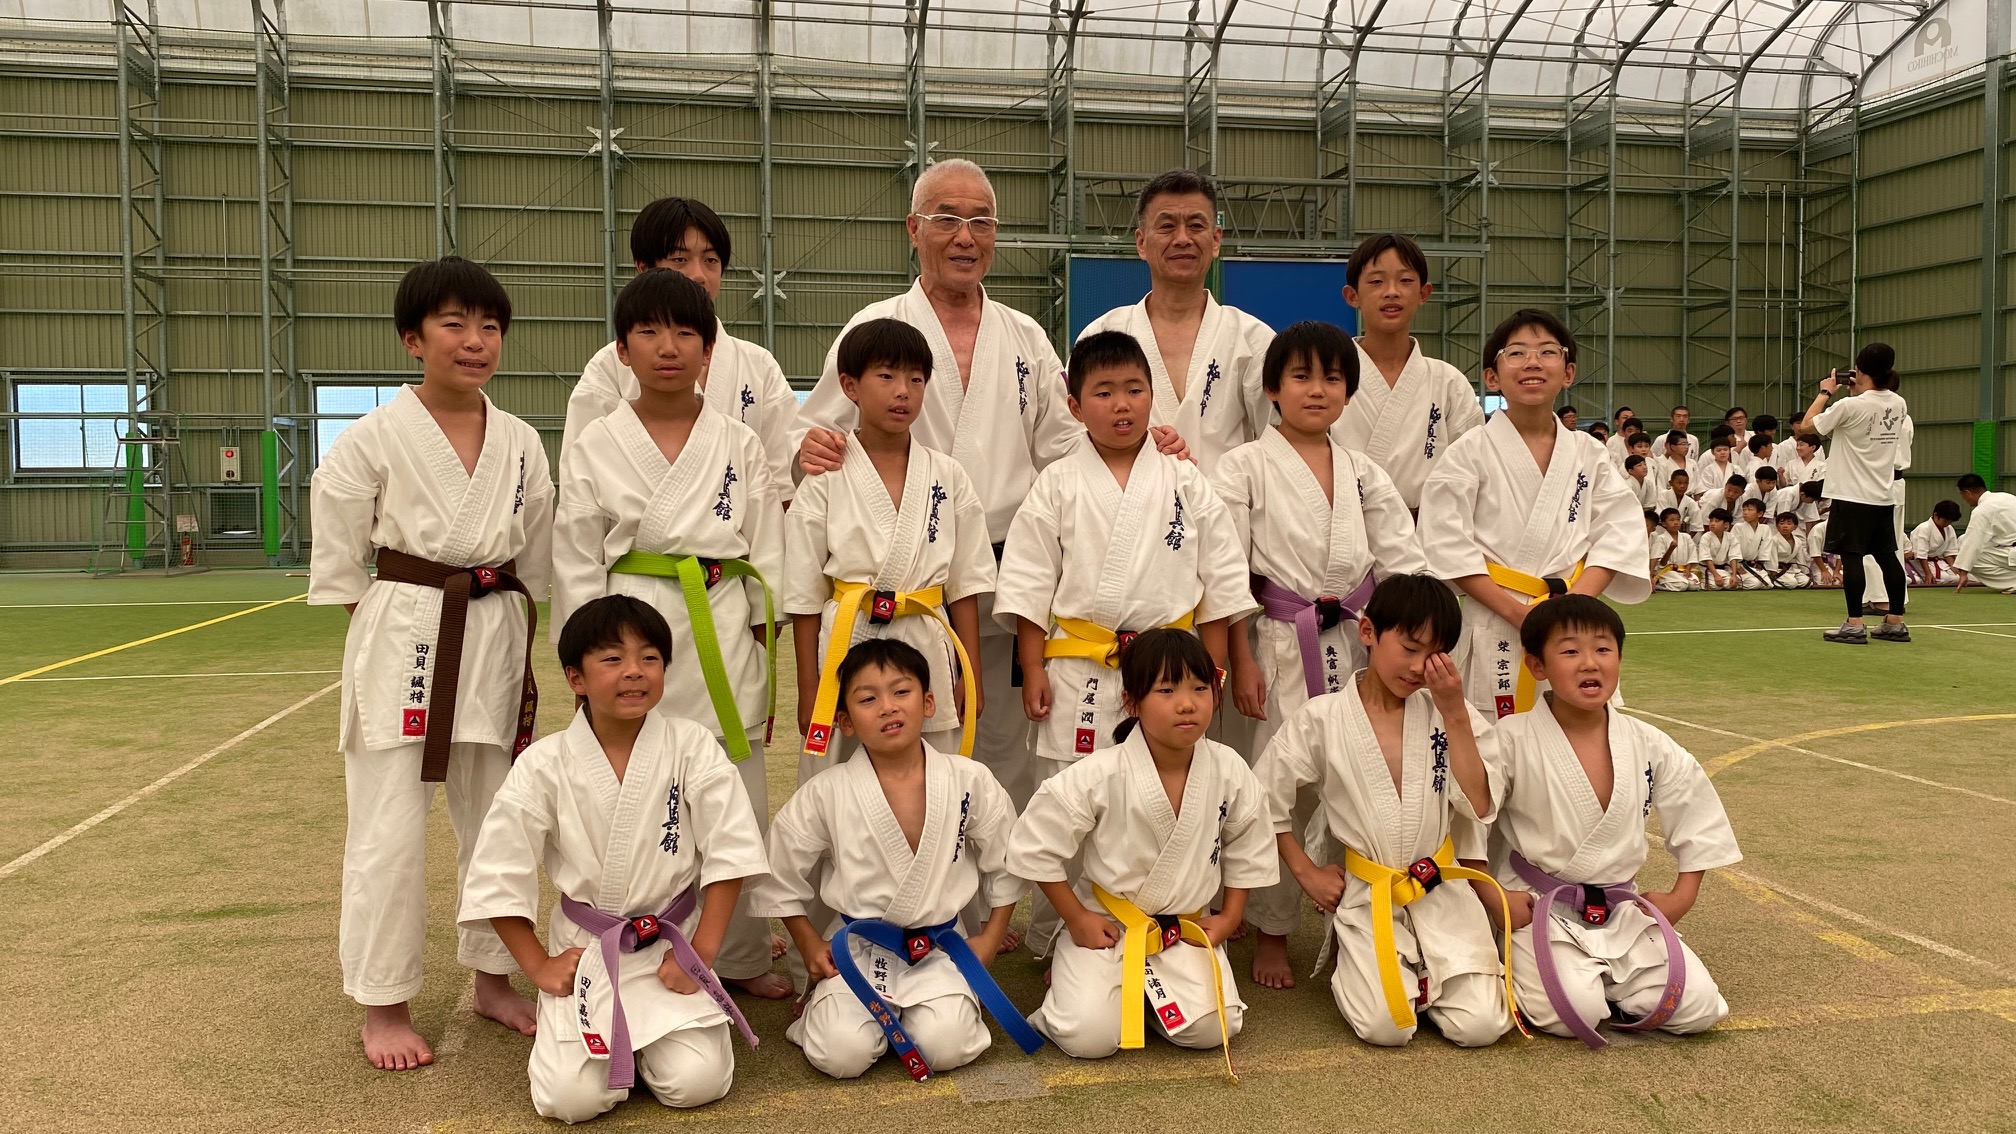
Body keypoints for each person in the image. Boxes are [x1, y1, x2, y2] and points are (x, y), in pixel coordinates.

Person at [796, 158, 1186, 814]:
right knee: (886, 740)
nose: (965, 236)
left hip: (1006, 572)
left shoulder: (1024, 335)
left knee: (1001, 741)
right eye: (947, 218)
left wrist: (1146, 443)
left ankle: (993, 875)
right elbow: (819, 430)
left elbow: (1070, 445)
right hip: (902, 578)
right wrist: (805, 447)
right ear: (913, 228)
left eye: (981, 222)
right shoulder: (876, 326)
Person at [308, 256, 551, 1071]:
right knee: (387, 829)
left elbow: (535, 558)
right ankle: (384, 1001)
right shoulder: (369, 440)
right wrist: (408, 627)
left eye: (490, 327)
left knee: (501, 818)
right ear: (413, 339)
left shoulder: (521, 443)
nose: (475, 341)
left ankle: (493, 975)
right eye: (454, 324)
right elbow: (342, 568)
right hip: (406, 636)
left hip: (495, 636)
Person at [550, 270, 789, 1000]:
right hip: (630, 625)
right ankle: (635, 942)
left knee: (736, 794)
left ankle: (741, 951)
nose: (668, 347)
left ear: (709, 351)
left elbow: (766, 548)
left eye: (687, 333)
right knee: (641, 790)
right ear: (621, 350)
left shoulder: (738, 441)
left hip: (720, 622)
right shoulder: (596, 442)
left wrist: (762, 642)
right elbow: (576, 557)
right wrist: (588, 658)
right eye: (649, 332)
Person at [993, 331, 1255, 953]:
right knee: (1070, 792)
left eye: (1134, 390)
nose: (1121, 405)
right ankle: (1062, 933)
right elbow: (1029, 581)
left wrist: (1212, 672)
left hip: (1169, 671)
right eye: (1104, 392)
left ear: (1152, 395)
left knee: (1167, 788)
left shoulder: (1185, 481)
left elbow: (1220, 583)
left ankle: (1170, 912)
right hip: (1080, 667)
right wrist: (1032, 667)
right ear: (1075, 405)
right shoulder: (1056, 482)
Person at [461, 596, 768, 1122]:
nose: (634, 671)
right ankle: (620, 1049)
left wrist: (701, 952)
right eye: (612, 659)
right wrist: (538, 966)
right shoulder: (544, 763)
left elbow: (731, 849)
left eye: (649, 658)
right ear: (575, 678)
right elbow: (497, 871)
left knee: (698, 1082)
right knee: (569, 1101)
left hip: (670, 943)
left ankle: (648, 1048)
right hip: (588, 950)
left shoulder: (691, 744)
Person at [1212, 320, 1426, 986]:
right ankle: (1271, 928)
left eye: (1332, 378)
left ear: (1348, 392)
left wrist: (1403, 645)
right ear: (1273, 388)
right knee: (1276, 786)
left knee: (1359, 778)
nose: (1317, 389)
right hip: (1279, 644)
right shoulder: (1243, 466)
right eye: (1300, 376)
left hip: (1358, 644)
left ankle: (1358, 911)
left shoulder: (1365, 473)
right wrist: (1241, 659)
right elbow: (1225, 571)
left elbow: (1403, 564)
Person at [749, 639, 1034, 1081]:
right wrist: (808, 942)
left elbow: (1005, 861)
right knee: (842, 1054)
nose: (887, 707)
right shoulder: (827, 792)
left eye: (901, 692)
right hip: (858, 949)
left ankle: (926, 1012)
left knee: (947, 1045)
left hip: (939, 947)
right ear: (845, 720)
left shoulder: (968, 779)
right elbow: (778, 873)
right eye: (867, 699)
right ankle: (832, 1016)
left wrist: (991, 937)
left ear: (928, 702)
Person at [1252, 575, 1519, 1046]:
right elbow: (1262, 799)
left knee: (1482, 1026)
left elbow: (1480, 803)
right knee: (1386, 1027)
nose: (1418, 668)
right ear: (1368, 631)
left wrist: (1455, 713)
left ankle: (1420, 976)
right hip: (1368, 891)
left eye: (1435, 655)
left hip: (1440, 887)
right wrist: (1307, 873)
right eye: (1410, 648)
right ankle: (1366, 961)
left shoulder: (1450, 714)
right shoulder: (1322, 718)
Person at [1006, 630, 1276, 1073]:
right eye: (1166, 691)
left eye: (1200, 688)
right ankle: (1077, 985)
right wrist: (1076, 917)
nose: (1186, 704)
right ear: (1131, 702)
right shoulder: (1101, 772)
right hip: (1108, 926)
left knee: (1214, 1028)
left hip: (1182, 929)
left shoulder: (1229, 768)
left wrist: (1230, 916)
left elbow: (1250, 844)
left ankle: (1139, 999)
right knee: (1088, 1036)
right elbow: (1035, 844)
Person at [1488, 597, 1741, 1047]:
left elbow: (1696, 812)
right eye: (1570, 651)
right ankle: (1570, 975)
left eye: (1603, 649)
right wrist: (1494, 897)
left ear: (1619, 658)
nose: (1590, 663)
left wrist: (1682, 895)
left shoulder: (1647, 741)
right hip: (1539, 905)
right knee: (1571, 1014)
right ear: (1537, 665)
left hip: (1621, 908)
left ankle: (1605, 977)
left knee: (1699, 1007)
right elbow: (1470, 818)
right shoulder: (1510, 738)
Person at [785, 318, 993, 779]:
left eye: (915, 379)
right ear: (850, 386)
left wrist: (971, 673)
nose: (903, 391)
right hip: (847, 640)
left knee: (936, 770)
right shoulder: (826, 477)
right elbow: (803, 592)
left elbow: (965, 585)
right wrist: (808, 686)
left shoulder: (948, 475)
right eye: (886, 376)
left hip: (925, 635)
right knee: (838, 769)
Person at [1418, 308, 1650, 721]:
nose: (1532, 363)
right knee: (1493, 740)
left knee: (1580, 733)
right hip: (1497, 618)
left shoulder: (1589, 453)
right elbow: (1445, 544)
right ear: (1492, 377)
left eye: (1547, 352)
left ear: (1568, 372)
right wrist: (1520, 615)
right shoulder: (1466, 453)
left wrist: (1575, 605)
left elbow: (1620, 531)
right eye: (1517, 353)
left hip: (1571, 621)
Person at [561, 197, 798, 503]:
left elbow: (783, 485)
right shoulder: (609, 368)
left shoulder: (757, 365)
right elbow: (579, 483)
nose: (699, 275)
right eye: (679, 259)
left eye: (710, 260)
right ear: (644, 268)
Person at [1075, 169, 1274, 474]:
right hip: (1127, 501)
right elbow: (1073, 437)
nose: (1182, 239)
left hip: (1226, 503)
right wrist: (1134, 444)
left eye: (1196, 225)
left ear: (1216, 240)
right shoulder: (1102, 334)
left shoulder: (1253, 339)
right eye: (1167, 226)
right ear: (1141, 242)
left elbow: (1278, 446)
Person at [1332, 233, 1485, 513]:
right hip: (1346, 525)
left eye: (1405, 280)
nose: (1392, 291)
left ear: (1423, 293)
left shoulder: (1448, 383)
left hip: (1428, 529)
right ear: (1352, 296)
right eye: (1376, 282)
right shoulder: (1331, 378)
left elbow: (1473, 470)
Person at [1805, 344, 1910, 643]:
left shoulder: (1849, 406)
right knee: (1888, 557)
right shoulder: (1899, 403)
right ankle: (1895, 621)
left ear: (1860, 370)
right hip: (1882, 494)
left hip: (1851, 494)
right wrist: (1859, 390)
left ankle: (1854, 623)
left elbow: (1807, 426)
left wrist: (1825, 392)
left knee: (1852, 557)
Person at [1954, 473, 2016, 592]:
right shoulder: (2007, 497)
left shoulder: (1982, 510)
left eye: (1962, 495)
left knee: (1969, 554)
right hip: (2009, 549)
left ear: (1967, 493)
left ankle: (2013, 583)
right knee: (1964, 540)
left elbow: (1972, 542)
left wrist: (1963, 572)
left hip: (2012, 552)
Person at [1906, 501, 1961, 585]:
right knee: (1945, 579)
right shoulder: (1924, 528)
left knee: (1957, 578)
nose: (1947, 524)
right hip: (1922, 562)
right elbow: (1921, 555)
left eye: (1950, 522)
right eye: (1945, 521)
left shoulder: (1949, 529)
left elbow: (1949, 552)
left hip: (1939, 562)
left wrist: (1953, 566)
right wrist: (1928, 574)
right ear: (1936, 515)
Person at [1727, 499, 1777, 590]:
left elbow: (1765, 549)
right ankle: (1732, 581)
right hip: (1738, 564)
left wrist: (1760, 563)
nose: (1745, 513)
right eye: (1744, 510)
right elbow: (1732, 549)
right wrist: (1737, 567)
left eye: (1750, 510)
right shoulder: (1738, 527)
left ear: (1760, 514)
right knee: (1755, 583)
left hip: (1752, 565)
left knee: (1768, 584)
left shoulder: (1765, 528)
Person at [1649, 509, 1701, 591]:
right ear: (1664, 524)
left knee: (1695, 585)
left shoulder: (1686, 537)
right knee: (1682, 585)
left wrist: (1688, 569)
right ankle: (1659, 585)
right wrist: (1671, 548)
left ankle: (1670, 583)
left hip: (1683, 570)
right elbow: (1662, 563)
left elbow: (1692, 555)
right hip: (1666, 571)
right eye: (1672, 520)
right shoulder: (1660, 538)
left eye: (1678, 519)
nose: (1676, 522)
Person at [1695, 508, 1735, 591]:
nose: (1712, 524)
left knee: (1731, 584)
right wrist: (1716, 575)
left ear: (1726, 524)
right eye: (1711, 521)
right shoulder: (1706, 537)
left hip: (1723, 569)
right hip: (1707, 570)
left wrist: (1734, 575)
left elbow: (1734, 557)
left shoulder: (1731, 537)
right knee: (1715, 586)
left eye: (1717, 521)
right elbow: (1706, 558)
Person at [1769, 512, 1812, 589]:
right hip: (1777, 569)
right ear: (1777, 526)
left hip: (1791, 569)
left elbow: (1801, 560)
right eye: (1782, 524)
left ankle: (1789, 580)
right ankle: (1772, 580)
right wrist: (1773, 573)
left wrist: (1806, 572)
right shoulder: (1774, 540)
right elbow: (1773, 559)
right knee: (1792, 583)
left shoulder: (1797, 541)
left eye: (1789, 524)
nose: (1785, 526)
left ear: (1795, 527)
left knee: (1806, 582)